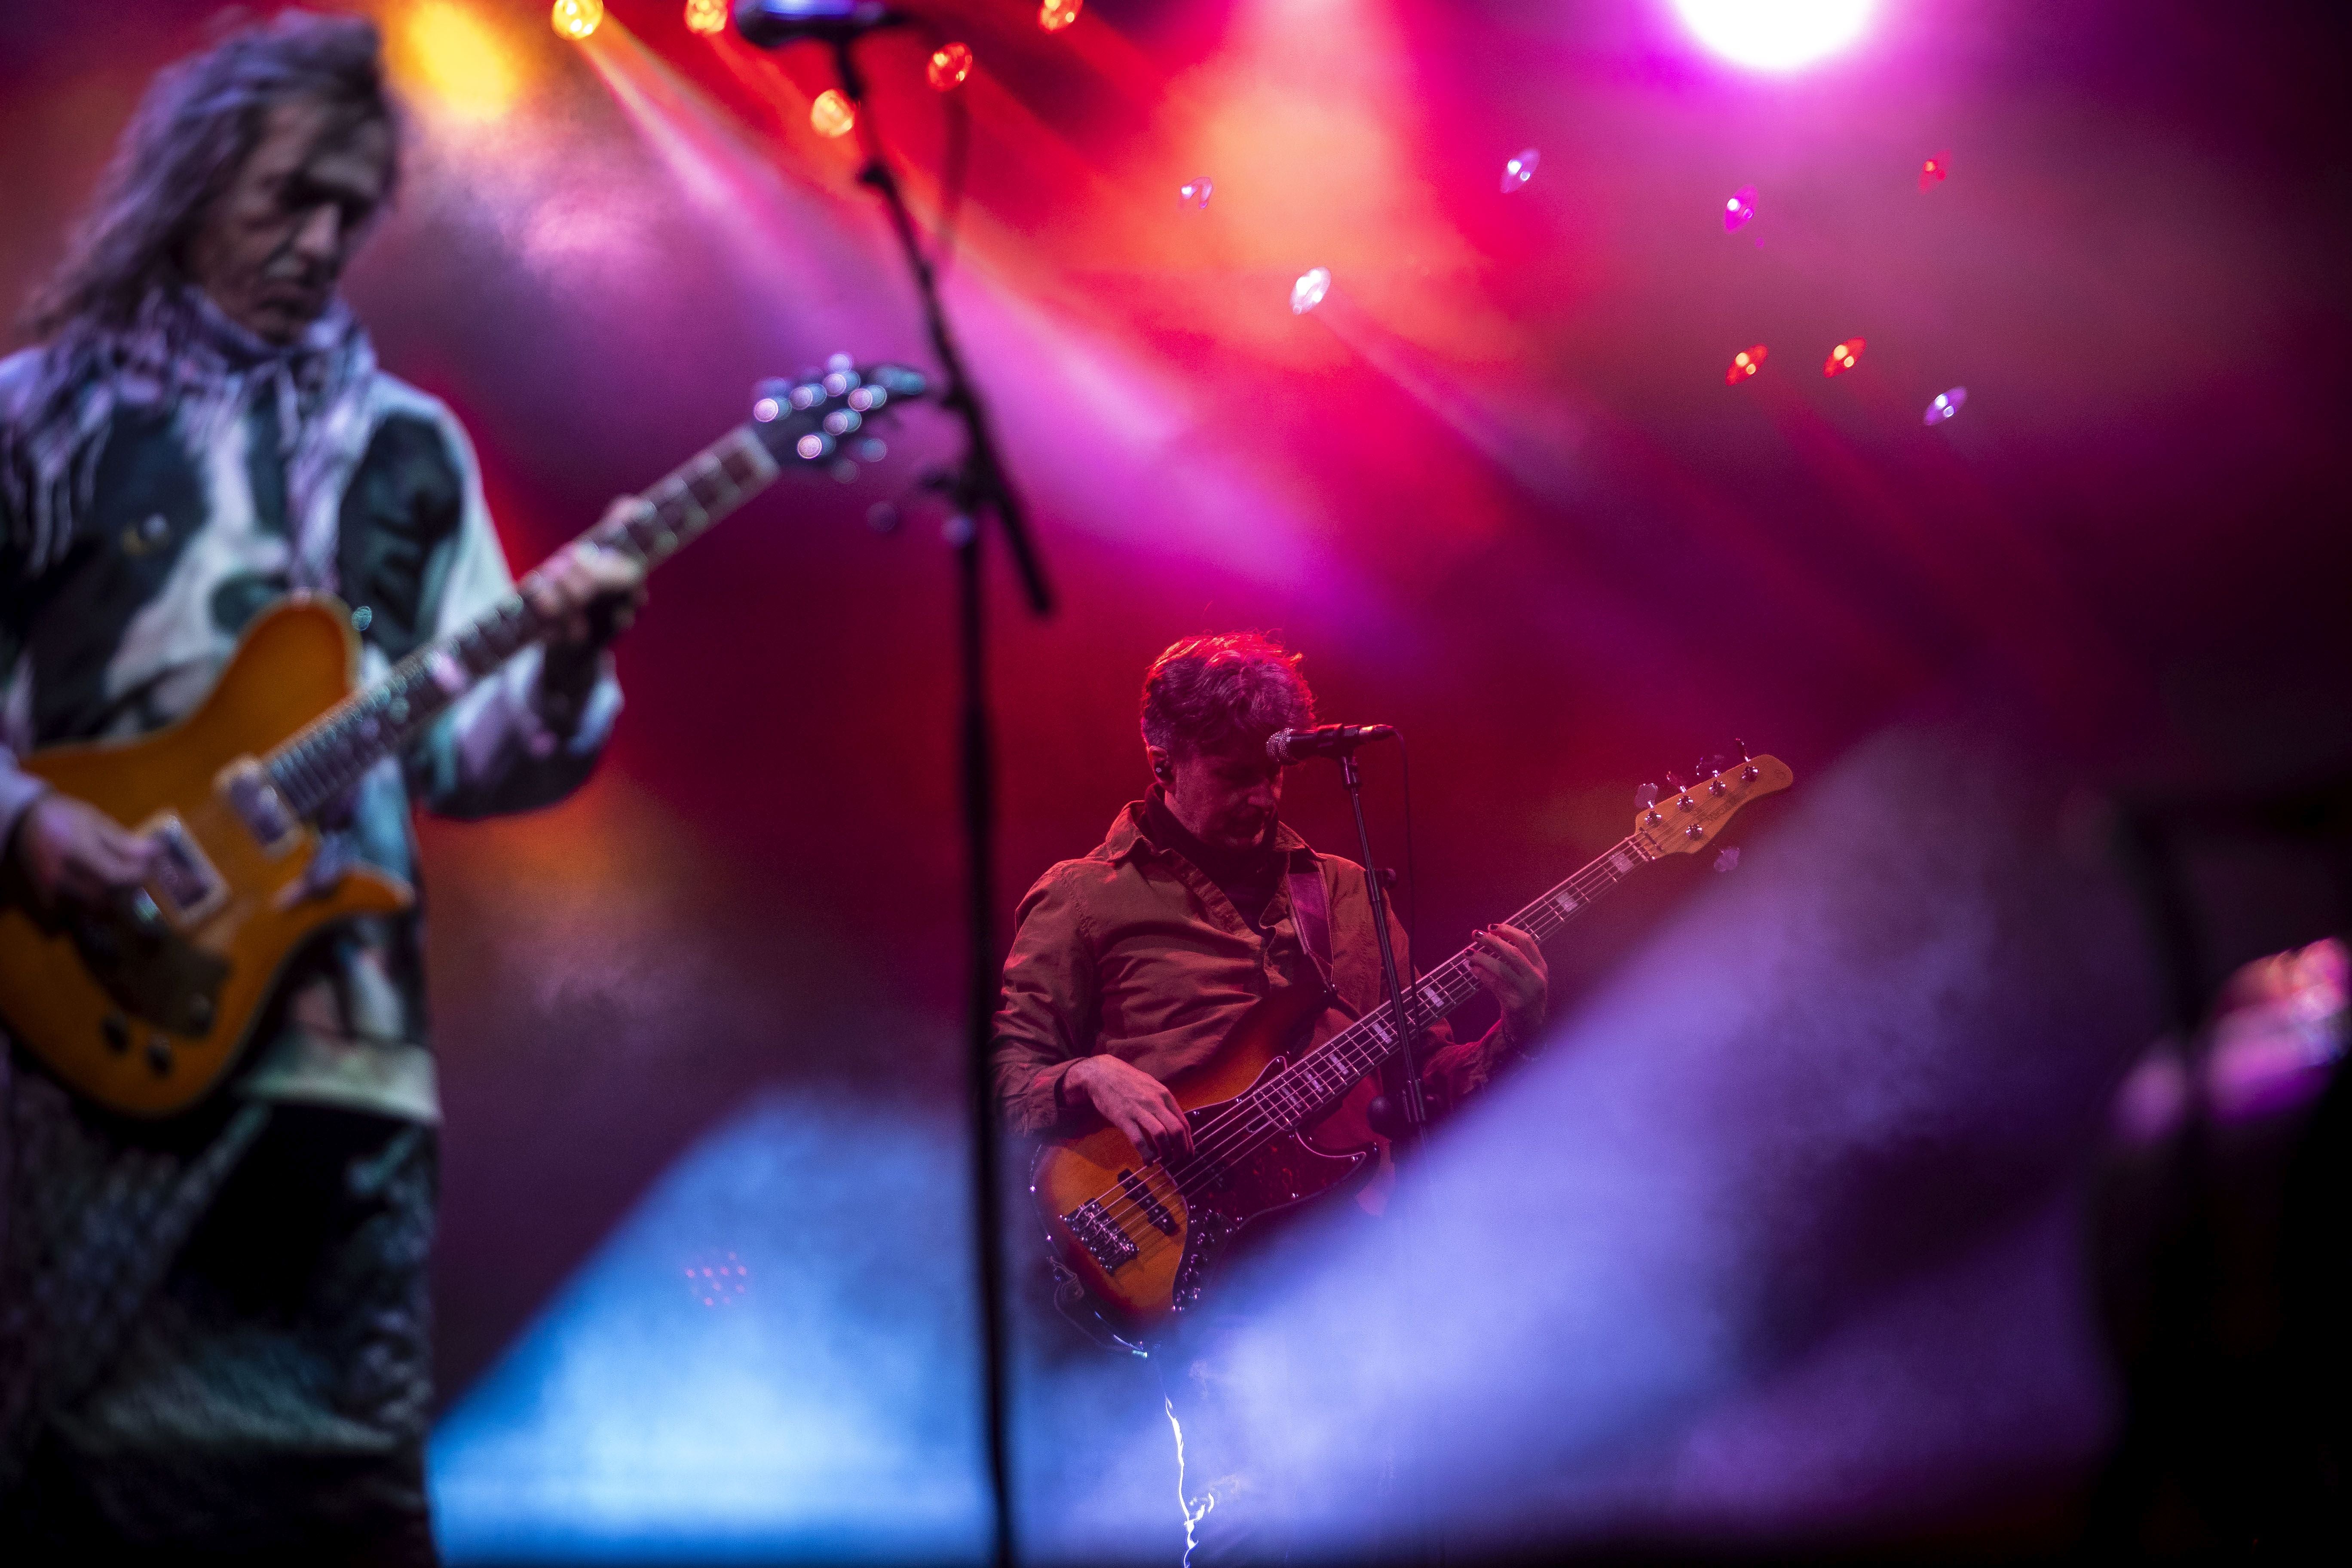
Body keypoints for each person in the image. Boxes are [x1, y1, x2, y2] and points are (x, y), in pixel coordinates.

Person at [0, 15, 644, 1560]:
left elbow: (472, 762)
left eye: (353, 211)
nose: (322, 240)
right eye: (290, 196)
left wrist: (560, 670)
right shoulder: (33, 418)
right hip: (79, 1053)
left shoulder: (410, 452)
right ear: (190, 178)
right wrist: (30, 821)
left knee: (342, 1503)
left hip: (344, 1076)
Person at [990, 631, 1549, 1564]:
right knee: (1253, 1530)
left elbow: (1435, 1088)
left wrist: (1517, 1027)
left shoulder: (1349, 894)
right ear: (1164, 759)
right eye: (1235, 773)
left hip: (1365, 1261)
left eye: (1276, 772)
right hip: (1208, 1268)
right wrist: (1088, 1073)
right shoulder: (1084, 900)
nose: (1261, 796)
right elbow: (1009, 1084)